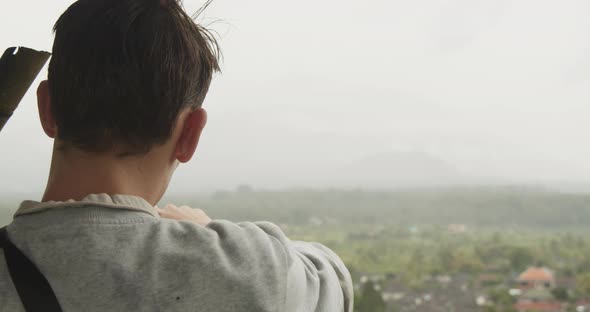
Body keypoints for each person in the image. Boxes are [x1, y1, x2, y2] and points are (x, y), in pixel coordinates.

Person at [0, 0, 354, 311]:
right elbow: (333, 279)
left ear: (46, 108)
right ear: (189, 134)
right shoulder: (245, 273)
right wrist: (210, 235)